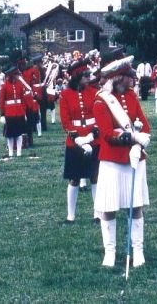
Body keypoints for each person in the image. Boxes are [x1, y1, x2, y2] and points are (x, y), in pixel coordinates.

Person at [93, 55, 151, 268]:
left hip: (134, 158)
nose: (133, 78)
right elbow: (108, 134)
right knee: (109, 207)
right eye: (128, 75)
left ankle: (138, 251)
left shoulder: (132, 97)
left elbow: (145, 126)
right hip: (112, 160)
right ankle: (110, 252)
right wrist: (132, 138)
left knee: (135, 206)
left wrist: (137, 146)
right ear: (117, 78)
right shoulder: (101, 102)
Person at [59, 59, 100, 223]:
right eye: (85, 75)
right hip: (74, 141)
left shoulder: (93, 92)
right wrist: (78, 139)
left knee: (95, 176)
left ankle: (97, 213)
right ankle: (71, 215)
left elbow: (99, 115)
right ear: (77, 77)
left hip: (93, 139)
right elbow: (66, 121)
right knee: (74, 179)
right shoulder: (65, 95)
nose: (89, 78)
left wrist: (91, 136)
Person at [0, 66, 28, 157]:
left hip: (19, 110)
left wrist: (24, 112)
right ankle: (11, 152)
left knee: (19, 133)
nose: (18, 76)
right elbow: (1, 101)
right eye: (16, 74)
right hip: (9, 111)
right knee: (10, 134)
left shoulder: (19, 84)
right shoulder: (4, 86)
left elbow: (23, 99)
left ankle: (19, 151)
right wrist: (2, 114)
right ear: (12, 75)